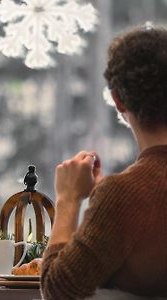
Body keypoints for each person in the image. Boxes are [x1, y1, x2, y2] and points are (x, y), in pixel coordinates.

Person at [41, 24, 167, 299]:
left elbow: (58, 290)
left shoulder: (125, 194)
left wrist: (69, 200)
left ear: (118, 100)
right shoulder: (121, 195)